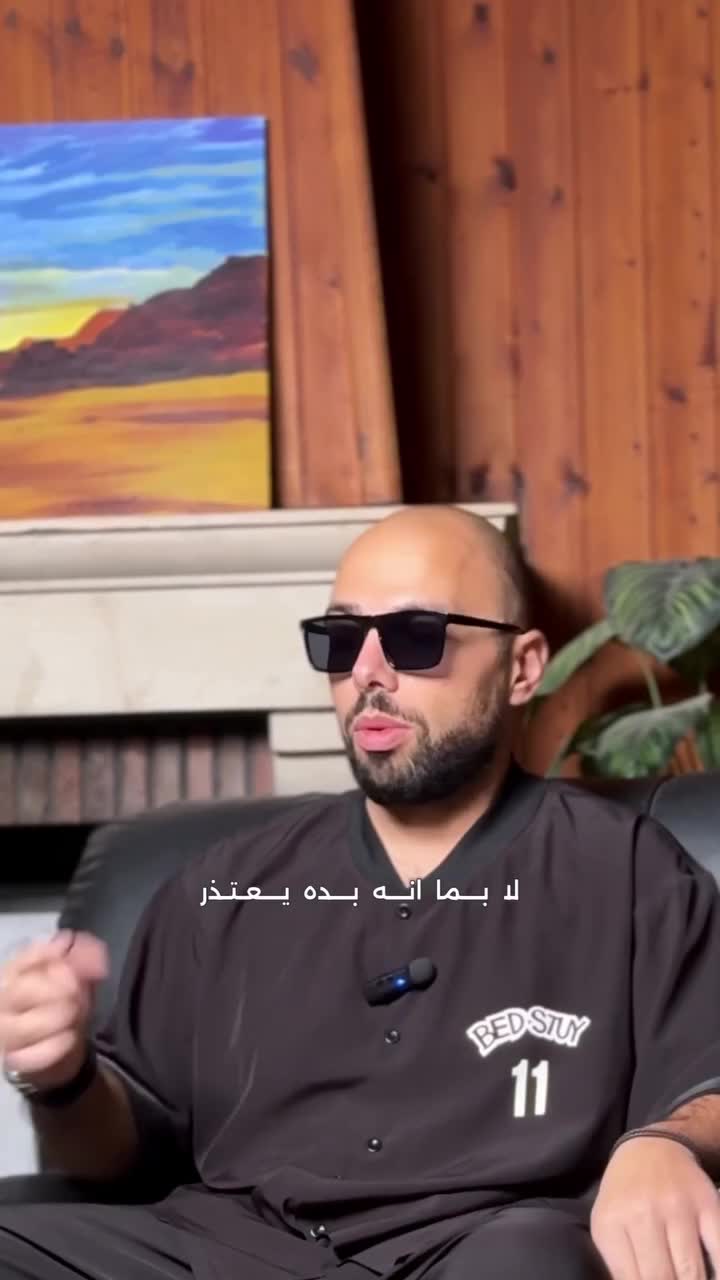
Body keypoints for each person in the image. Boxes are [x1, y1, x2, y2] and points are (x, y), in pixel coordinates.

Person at [1, 505, 720, 1280]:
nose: (368, 673)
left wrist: (667, 1143)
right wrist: (62, 1078)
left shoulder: (626, 872)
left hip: (483, 1249)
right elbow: (116, 1155)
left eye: (416, 637)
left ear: (522, 667)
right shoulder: (226, 886)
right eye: (341, 641)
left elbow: (708, 1077)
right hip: (232, 1248)